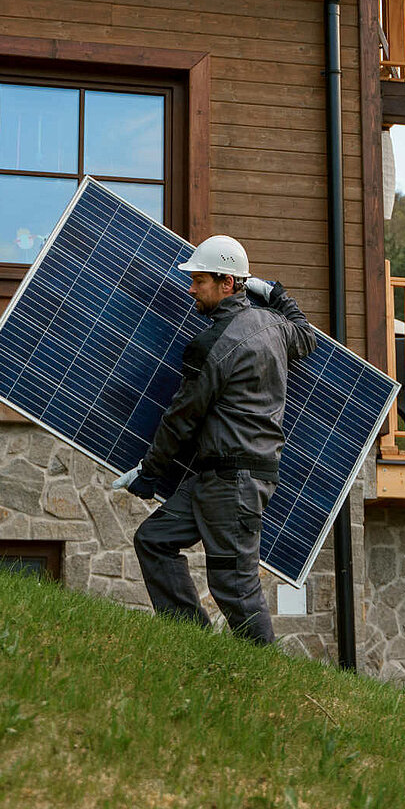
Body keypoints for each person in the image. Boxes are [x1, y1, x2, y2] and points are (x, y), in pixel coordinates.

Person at [110, 234, 314, 644]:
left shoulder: (211, 345)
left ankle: (266, 679)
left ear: (226, 283)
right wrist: (276, 294)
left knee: (235, 588)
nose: (190, 290)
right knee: (153, 540)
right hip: (215, 478)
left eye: (199, 281)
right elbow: (305, 336)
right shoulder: (274, 325)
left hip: (233, 481)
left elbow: (182, 417)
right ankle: (194, 640)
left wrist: (150, 474)